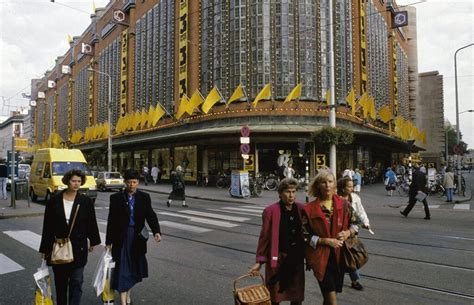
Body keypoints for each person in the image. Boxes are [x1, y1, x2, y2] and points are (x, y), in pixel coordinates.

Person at [39, 169, 101, 305]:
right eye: (73, 181)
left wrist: (93, 241)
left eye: (79, 181)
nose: (76, 184)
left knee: (77, 282)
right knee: (61, 284)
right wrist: (45, 249)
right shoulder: (54, 201)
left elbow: (91, 222)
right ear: (67, 181)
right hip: (60, 247)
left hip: (78, 248)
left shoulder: (85, 201)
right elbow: (48, 227)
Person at [301, 170, 359, 305]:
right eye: (323, 182)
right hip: (320, 258)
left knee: (328, 298)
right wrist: (325, 241)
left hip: (339, 257)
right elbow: (304, 236)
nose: (327, 185)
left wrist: (347, 233)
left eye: (330, 181)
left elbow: (356, 224)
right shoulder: (309, 209)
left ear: (335, 185)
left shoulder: (344, 205)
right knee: (332, 301)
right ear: (318, 186)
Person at [105, 169, 162, 305]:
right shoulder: (116, 198)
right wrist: (108, 241)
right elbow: (111, 220)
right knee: (123, 268)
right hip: (121, 238)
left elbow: (150, 215)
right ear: (125, 182)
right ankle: (124, 302)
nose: (131, 185)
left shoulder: (144, 197)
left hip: (136, 239)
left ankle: (128, 294)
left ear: (138, 183)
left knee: (133, 268)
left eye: (134, 182)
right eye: (129, 182)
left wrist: (156, 231)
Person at [249, 178, 305, 305]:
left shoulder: (301, 209)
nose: (291, 195)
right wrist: (260, 261)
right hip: (277, 259)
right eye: (287, 192)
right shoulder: (270, 211)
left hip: (296, 259)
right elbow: (264, 237)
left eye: (293, 191)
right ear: (280, 193)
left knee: (296, 297)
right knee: (275, 297)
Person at [337, 177, 371, 291]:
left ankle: (354, 280)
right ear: (342, 188)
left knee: (350, 256)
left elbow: (361, 211)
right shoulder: (336, 199)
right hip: (338, 232)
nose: (352, 188)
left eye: (352, 186)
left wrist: (366, 223)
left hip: (352, 230)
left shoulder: (355, 198)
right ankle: (348, 280)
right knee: (342, 257)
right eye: (349, 186)